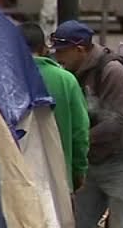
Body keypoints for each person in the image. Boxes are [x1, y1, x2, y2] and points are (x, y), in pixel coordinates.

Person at [50, 20, 123, 228]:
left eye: (62, 52)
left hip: (118, 163)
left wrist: (78, 140)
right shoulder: (72, 74)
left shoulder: (112, 71)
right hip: (90, 166)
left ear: (79, 49)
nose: (59, 58)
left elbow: (116, 122)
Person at [20, 22, 89, 192]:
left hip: (18, 180)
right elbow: (80, 132)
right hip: (58, 180)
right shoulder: (66, 80)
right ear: (44, 48)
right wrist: (78, 171)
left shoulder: (4, 79)